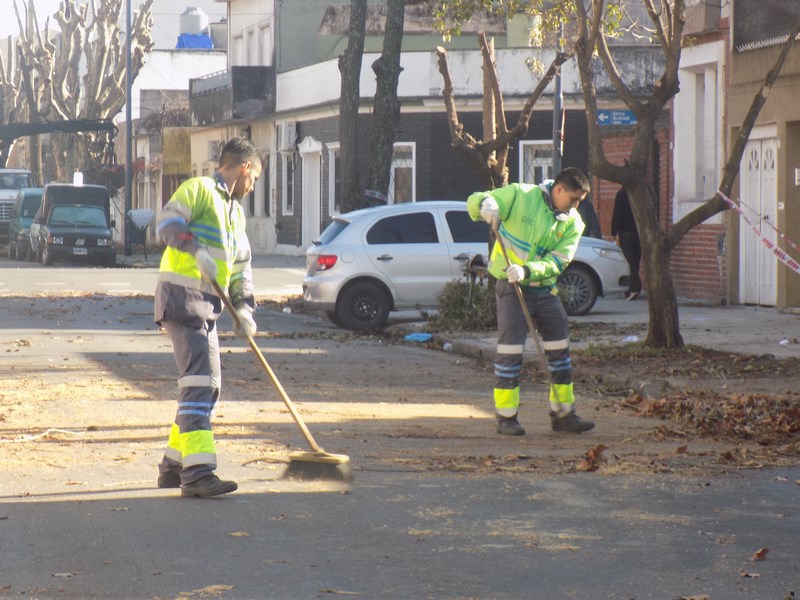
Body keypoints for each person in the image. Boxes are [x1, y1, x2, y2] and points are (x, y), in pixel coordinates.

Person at [154, 136, 263, 498]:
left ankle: (173, 465)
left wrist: (245, 308)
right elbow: (167, 223)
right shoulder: (199, 189)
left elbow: (241, 268)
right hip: (182, 299)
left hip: (208, 307)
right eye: (256, 177)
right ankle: (198, 472)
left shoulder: (236, 212)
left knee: (206, 387)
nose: (253, 185)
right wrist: (194, 246)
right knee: (200, 384)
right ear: (245, 167)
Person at [467, 167, 596, 436]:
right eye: (573, 199)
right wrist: (485, 204)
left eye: (579, 201)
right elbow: (475, 199)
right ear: (558, 189)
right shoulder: (519, 195)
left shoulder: (573, 223)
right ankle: (506, 418)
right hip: (511, 289)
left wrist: (528, 271)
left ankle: (563, 415)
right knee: (510, 353)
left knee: (560, 351)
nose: (575, 206)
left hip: (544, 290)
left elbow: (559, 261)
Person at [611, 187, 642, 300]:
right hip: (639, 233)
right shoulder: (641, 192)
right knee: (635, 261)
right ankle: (633, 287)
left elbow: (617, 213)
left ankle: (634, 287)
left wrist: (614, 232)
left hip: (626, 233)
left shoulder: (622, 194)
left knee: (630, 261)